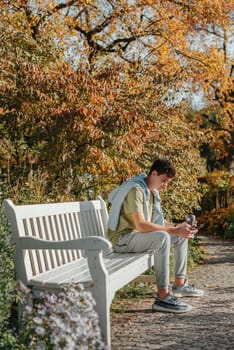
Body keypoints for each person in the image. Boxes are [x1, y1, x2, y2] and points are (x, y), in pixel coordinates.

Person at [107, 158, 204, 313]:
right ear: (153, 173)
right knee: (162, 237)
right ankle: (163, 297)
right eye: (163, 181)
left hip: (136, 237)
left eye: (167, 182)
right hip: (122, 240)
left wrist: (179, 228)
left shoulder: (150, 192)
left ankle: (180, 285)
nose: (165, 186)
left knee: (179, 236)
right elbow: (141, 225)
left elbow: (157, 223)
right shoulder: (136, 190)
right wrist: (174, 230)